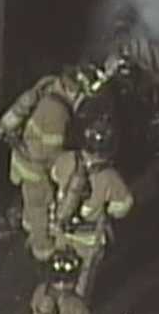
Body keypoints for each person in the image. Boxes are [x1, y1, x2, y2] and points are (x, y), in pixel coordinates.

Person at [0, 60, 121, 261]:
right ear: (73, 91)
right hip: (34, 170)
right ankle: (42, 248)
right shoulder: (57, 114)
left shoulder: (50, 85)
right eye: (81, 95)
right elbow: (50, 154)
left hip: (23, 157)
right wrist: (71, 168)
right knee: (40, 209)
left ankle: (29, 222)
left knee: (32, 203)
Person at [47, 113, 134, 297]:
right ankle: (77, 306)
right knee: (84, 279)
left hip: (61, 232)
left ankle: (55, 299)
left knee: (59, 270)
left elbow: (54, 175)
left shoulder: (67, 159)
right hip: (87, 240)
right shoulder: (110, 177)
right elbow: (123, 206)